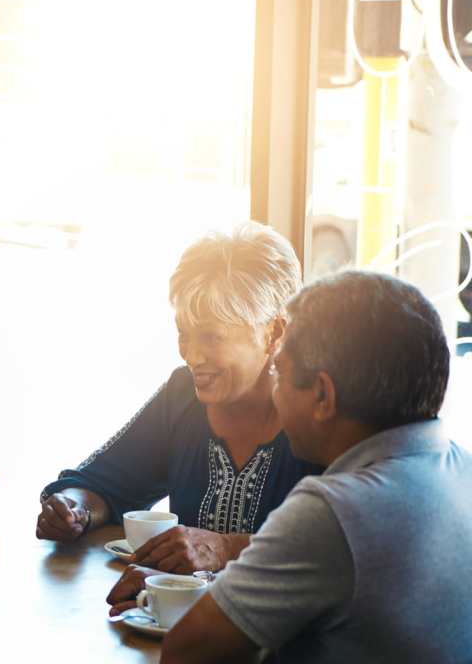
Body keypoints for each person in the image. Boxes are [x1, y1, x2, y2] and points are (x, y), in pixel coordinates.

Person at [153, 270, 472, 662]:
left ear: (322, 395)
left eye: (279, 372)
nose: (273, 389)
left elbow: (187, 653)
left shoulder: (332, 511)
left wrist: (162, 587)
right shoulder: (463, 472)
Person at [36, 223, 321, 573]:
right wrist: (74, 509)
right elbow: (99, 483)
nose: (192, 356)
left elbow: (346, 543)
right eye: (183, 335)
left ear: (274, 332)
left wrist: (227, 548)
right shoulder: (183, 395)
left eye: (212, 338)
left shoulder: (320, 414)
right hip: (180, 620)